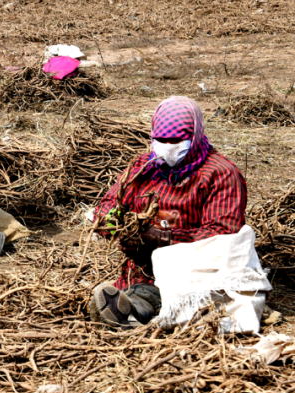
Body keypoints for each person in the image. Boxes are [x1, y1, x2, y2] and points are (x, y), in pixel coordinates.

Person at [89, 96, 250, 328]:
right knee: (139, 292)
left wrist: (164, 239)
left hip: (195, 274)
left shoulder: (220, 174)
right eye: (160, 139)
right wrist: (116, 227)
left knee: (180, 300)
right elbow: (107, 205)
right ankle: (135, 307)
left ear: (194, 136)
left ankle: (141, 312)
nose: (167, 146)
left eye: (175, 140)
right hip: (142, 271)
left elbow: (224, 236)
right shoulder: (142, 168)